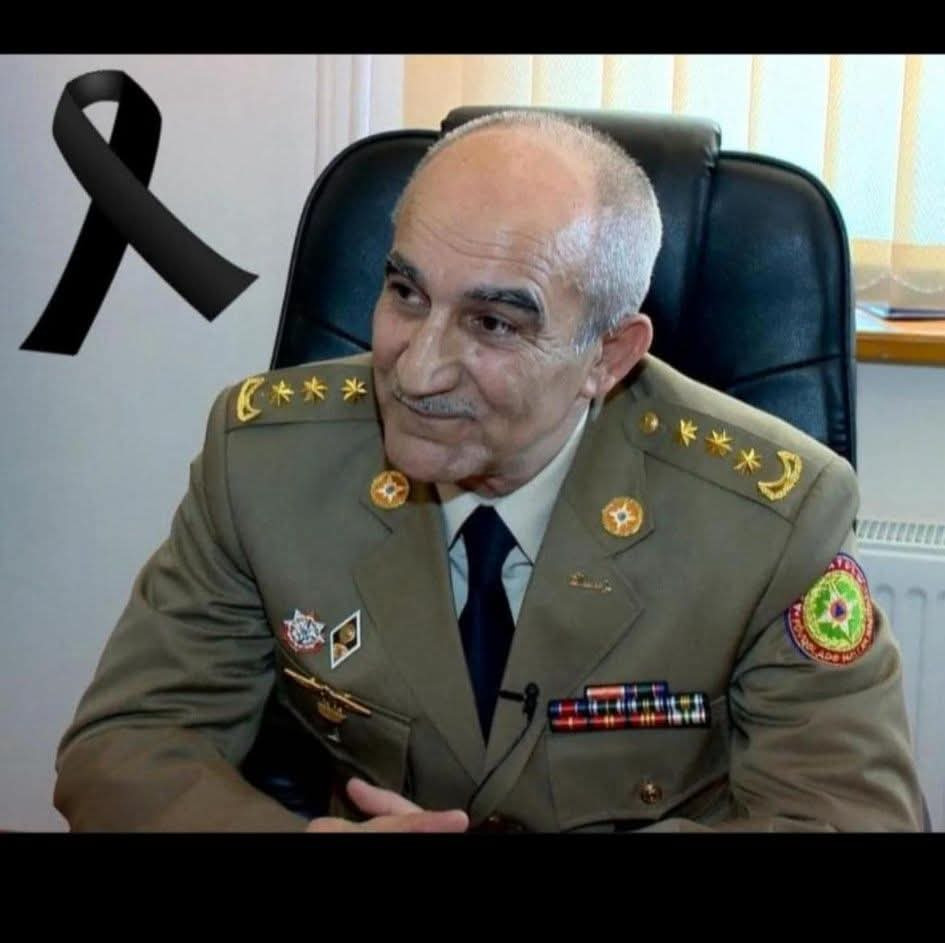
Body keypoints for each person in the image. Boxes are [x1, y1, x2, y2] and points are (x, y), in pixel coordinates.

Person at [54, 111, 925, 832]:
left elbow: (850, 815)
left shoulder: (773, 516)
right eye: (405, 294)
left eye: (494, 324)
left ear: (608, 356)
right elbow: (124, 744)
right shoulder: (264, 462)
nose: (416, 369)